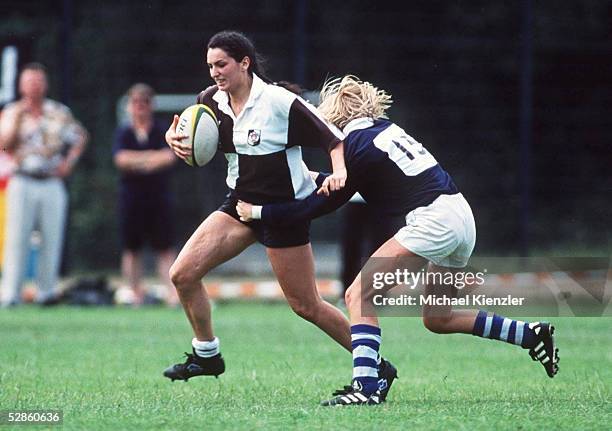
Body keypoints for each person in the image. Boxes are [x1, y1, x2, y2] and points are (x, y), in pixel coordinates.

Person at [237, 75, 559, 405]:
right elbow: (338, 185)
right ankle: (529, 333)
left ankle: (365, 387)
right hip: (459, 215)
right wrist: (304, 177)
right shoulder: (380, 132)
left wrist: (260, 212)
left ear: (337, 114)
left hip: (434, 221)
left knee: (358, 295)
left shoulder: (353, 145)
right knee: (439, 318)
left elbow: (319, 205)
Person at [162, 31, 398, 400]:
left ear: (245, 62)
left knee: (306, 305)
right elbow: (186, 133)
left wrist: (339, 171)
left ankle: (375, 365)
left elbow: (333, 140)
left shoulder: (278, 102)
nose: (214, 73)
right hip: (239, 207)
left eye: (221, 64)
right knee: (182, 274)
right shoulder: (210, 102)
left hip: (283, 211)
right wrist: (173, 138)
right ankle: (207, 355)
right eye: (210, 66)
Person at [0, 62, 87, 306]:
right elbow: (4, 145)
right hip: (22, 179)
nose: (34, 86)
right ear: (21, 85)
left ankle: (46, 293)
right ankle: (10, 294)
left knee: (51, 236)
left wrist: (68, 163)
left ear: (45, 84)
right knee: (17, 238)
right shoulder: (12, 112)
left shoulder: (58, 111)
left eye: (38, 81)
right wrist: (17, 119)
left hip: (51, 181)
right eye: (29, 82)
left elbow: (80, 137)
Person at [112, 83, 178, 305]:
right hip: (131, 198)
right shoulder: (124, 131)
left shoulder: (161, 130)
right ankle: (134, 293)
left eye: (145, 103)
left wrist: (137, 160)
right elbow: (121, 159)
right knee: (132, 248)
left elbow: (169, 157)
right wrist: (151, 158)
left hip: (158, 197)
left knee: (164, 247)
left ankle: (172, 294)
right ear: (130, 106)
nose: (140, 107)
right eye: (136, 103)